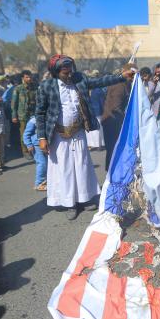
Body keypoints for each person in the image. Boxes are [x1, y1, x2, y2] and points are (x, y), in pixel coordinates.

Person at [35, 55, 134, 219]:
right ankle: (69, 203)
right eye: (64, 71)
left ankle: (84, 198)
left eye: (70, 70)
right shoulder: (46, 86)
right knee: (65, 168)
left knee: (82, 165)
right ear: (56, 71)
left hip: (78, 132)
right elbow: (40, 113)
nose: (68, 74)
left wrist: (121, 77)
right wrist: (42, 138)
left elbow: (100, 82)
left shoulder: (79, 79)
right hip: (58, 135)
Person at [101, 63, 135, 172]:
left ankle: (113, 172)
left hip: (113, 119)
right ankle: (112, 173)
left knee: (114, 148)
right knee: (113, 148)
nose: (134, 78)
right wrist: (127, 120)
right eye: (132, 75)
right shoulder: (120, 86)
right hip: (112, 121)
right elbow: (116, 107)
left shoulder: (124, 83)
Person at [11, 70, 37, 160]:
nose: (29, 79)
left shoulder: (35, 87)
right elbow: (14, 103)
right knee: (24, 134)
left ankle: (34, 150)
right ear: (23, 78)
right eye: (27, 77)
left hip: (33, 114)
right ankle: (25, 151)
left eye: (30, 77)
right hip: (23, 115)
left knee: (34, 132)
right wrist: (14, 115)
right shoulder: (18, 88)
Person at [23, 115, 47, 191]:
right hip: (36, 145)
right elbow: (26, 134)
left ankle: (45, 181)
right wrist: (29, 144)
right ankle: (39, 184)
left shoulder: (48, 116)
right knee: (42, 163)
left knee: (46, 164)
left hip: (46, 144)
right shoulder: (33, 120)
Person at [87, 85, 106, 150]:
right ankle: (94, 144)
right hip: (92, 111)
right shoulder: (91, 90)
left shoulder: (97, 90)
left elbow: (102, 102)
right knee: (94, 129)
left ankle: (98, 145)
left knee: (97, 129)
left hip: (97, 112)